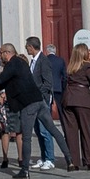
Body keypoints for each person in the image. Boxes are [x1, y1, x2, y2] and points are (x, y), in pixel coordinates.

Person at [60, 43, 90, 171]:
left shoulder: (71, 67)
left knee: (71, 132)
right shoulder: (87, 66)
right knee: (86, 131)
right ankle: (89, 160)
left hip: (69, 98)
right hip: (82, 99)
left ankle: (73, 162)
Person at [29, 38, 64, 169]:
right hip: (33, 101)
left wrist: (37, 94)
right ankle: (43, 157)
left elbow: (48, 83)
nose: (26, 49)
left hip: (42, 100)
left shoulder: (44, 61)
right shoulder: (33, 61)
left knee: (45, 129)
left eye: (27, 46)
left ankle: (50, 158)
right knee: (38, 130)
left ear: (31, 47)